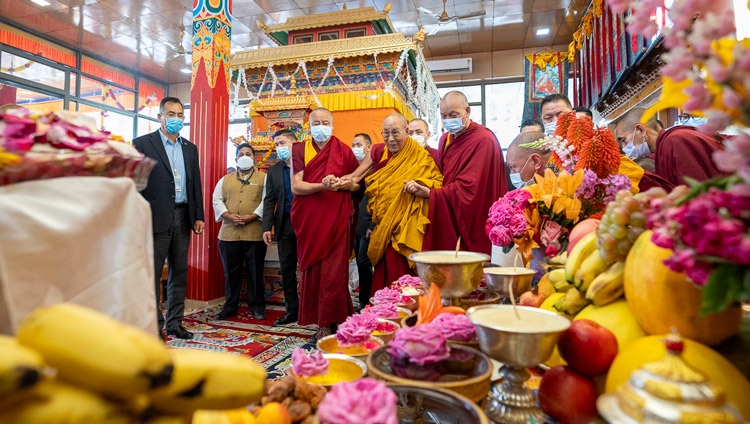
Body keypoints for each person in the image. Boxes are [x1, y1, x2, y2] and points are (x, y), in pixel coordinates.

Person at [341, 113, 443, 293]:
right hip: (383, 226)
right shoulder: (379, 152)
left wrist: (422, 186)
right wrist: (337, 181)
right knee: (384, 277)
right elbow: (357, 178)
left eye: (395, 133)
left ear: (406, 131)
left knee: (406, 281)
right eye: (386, 133)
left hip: (406, 227)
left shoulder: (421, 156)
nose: (390, 138)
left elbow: (437, 184)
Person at [133, 96, 204, 340]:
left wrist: (199, 215)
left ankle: (175, 323)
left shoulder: (190, 148)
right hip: (155, 217)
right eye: (170, 114)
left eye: (180, 115)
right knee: (153, 273)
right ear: (160, 117)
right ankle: (154, 325)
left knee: (179, 271)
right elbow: (136, 184)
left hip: (184, 215)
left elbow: (195, 184)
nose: (176, 118)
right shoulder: (142, 144)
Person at [405, 91, 506, 255]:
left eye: (454, 114)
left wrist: (432, 195)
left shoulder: (484, 139)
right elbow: (443, 177)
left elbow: (471, 188)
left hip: (476, 214)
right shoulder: (445, 139)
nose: (448, 120)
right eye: (444, 115)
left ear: (467, 111)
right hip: (450, 210)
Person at [290, 107, 361, 338]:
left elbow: (357, 185)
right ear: (309, 126)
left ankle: (335, 318)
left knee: (334, 272)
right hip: (310, 221)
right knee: (314, 271)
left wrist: (342, 184)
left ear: (333, 124)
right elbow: (296, 186)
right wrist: (323, 185)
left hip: (337, 219)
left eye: (325, 122)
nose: (320, 126)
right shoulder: (299, 149)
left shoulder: (344, 151)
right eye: (316, 122)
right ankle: (320, 322)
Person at [212, 143, 268, 321]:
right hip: (228, 234)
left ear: (254, 157)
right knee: (231, 273)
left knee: (255, 272)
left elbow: (267, 200)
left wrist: (252, 216)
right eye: (241, 154)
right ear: (236, 158)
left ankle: (257, 306)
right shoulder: (225, 179)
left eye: (248, 154)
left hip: (254, 233)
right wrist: (227, 215)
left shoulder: (263, 178)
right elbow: (217, 200)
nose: (245, 156)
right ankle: (230, 306)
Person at [614, 108, 725, 187]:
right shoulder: (659, 152)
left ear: (641, 130)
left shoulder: (675, 141)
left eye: (624, 140)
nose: (624, 148)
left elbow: (696, 186)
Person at [262, 130, 300, 326]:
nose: (279, 147)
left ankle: (312, 310)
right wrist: (267, 227)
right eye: (276, 144)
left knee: (310, 269)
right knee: (287, 269)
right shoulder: (274, 171)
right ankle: (292, 310)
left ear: (295, 144)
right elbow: (269, 200)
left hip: (307, 225)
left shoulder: (307, 165)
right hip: (284, 224)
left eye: (283, 143)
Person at [351, 133, 374, 312]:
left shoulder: (375, 168)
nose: (355, 148)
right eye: (353, 144)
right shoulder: (353, 168)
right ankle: (361, 299)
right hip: (352, 223)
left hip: (367, 223)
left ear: (368, 147)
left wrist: (372, 224)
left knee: (364, 262)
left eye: (359, 144)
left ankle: (366, 300)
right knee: (358, 262)